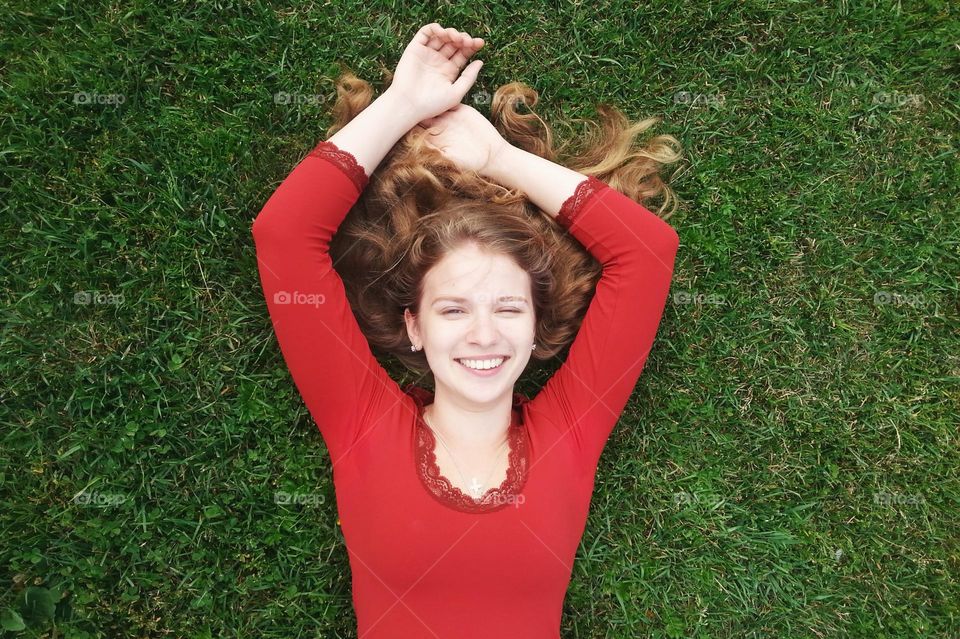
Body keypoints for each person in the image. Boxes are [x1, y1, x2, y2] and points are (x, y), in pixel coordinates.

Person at [252, 22, 682, 639]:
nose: (484, 334)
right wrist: (400, 106)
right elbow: (285, 235)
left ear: (537, 329)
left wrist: (501, 160)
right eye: (453, 310)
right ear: (415, 328)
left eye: (508, 309)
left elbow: (646, 251)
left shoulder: (572, 428)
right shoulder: (360, 421)